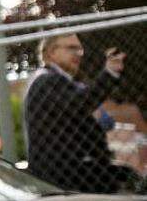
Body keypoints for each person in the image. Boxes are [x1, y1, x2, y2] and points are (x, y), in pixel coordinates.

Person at [24, 34, 131, 192]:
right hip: (64, 177)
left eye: (79, 49)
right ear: (52, 52)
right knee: (129, 182)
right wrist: (109, 73)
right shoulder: (47, 80)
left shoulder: (61, 82)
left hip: (74, 172)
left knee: (128, 177)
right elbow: (79, 103)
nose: (79, 53)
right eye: (71, 48)